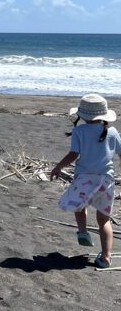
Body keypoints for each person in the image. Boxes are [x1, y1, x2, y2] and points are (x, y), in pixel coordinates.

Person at [51, 93, 121, 269]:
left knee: (79, 205)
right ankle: (106, 257)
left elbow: (74, 155)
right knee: (104, 220)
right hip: (106, 180)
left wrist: (58, 167)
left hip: (84, 178)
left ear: (82, 114)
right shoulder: (112, 132)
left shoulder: (79, 131)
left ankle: (83, 231)